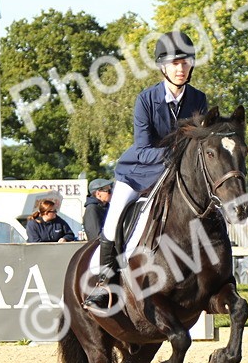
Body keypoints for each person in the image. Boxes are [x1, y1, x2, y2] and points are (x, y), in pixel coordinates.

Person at [86, 31, 208, 311]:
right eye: (175, 63)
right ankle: (105, 283)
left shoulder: (198, 99)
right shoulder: (146, 100)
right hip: (138, 173)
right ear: (162, 66)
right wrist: (176, 156)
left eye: (186, 62)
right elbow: (141, 149)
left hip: (176, 175)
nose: (181, 68)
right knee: (113, 219)